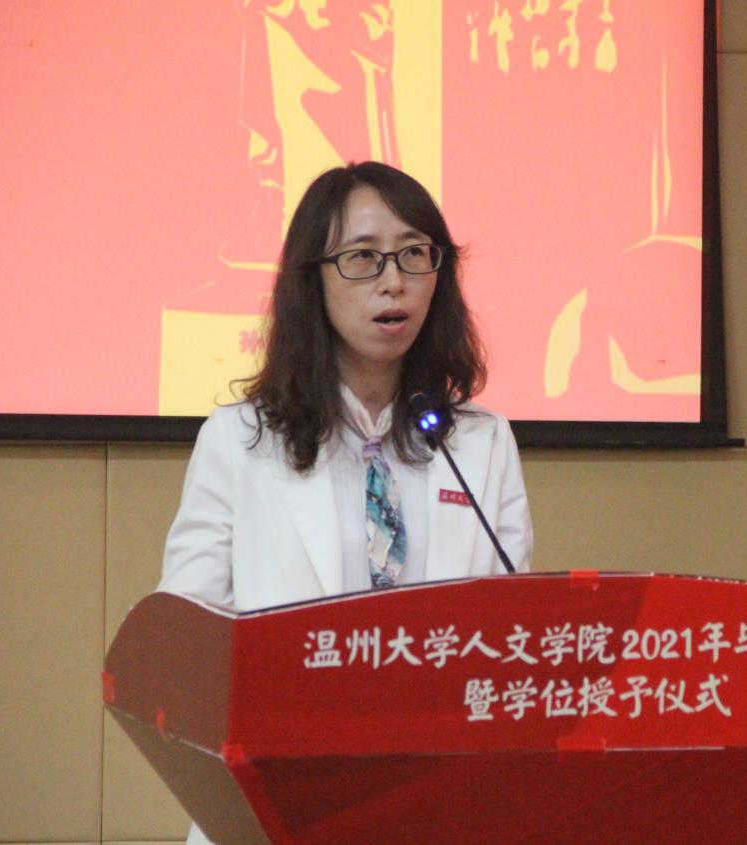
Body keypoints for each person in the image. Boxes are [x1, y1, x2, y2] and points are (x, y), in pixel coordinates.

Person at [158, 161, 533, 845]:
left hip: (435, 804)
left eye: (414, 254)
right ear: (313, 280)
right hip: (278, 802)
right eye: (362, 257)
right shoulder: (239, 441)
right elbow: (186, 641)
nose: (393, 282)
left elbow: (507, 640)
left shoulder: (481, 443)